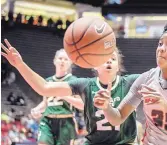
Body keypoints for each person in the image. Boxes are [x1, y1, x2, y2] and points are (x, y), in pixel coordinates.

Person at [1, 41, 140, 144]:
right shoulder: (85, 84)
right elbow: (44, 87)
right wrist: (20, 64)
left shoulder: (131, 82)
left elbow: (157, 75)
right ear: (95, 64)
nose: (109, 60)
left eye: (113, 58)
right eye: (104, 58)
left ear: (118, 66)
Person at [93, 22, 167, 145]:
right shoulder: (146, 79)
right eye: (160, 44)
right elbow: (118, 117)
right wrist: (106, 107)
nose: (161, 49)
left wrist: (166, 106)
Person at [28, 49, 84, 145]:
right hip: (47, 120)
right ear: (54, 61)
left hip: (65, 121)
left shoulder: (73, 81)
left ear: (70, 62)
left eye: (66, 59)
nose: (62, 61)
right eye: (60, 58)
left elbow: (81, 105)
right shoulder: (48, 81)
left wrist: (64, 96)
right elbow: (46, 102)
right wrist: (36, 109)